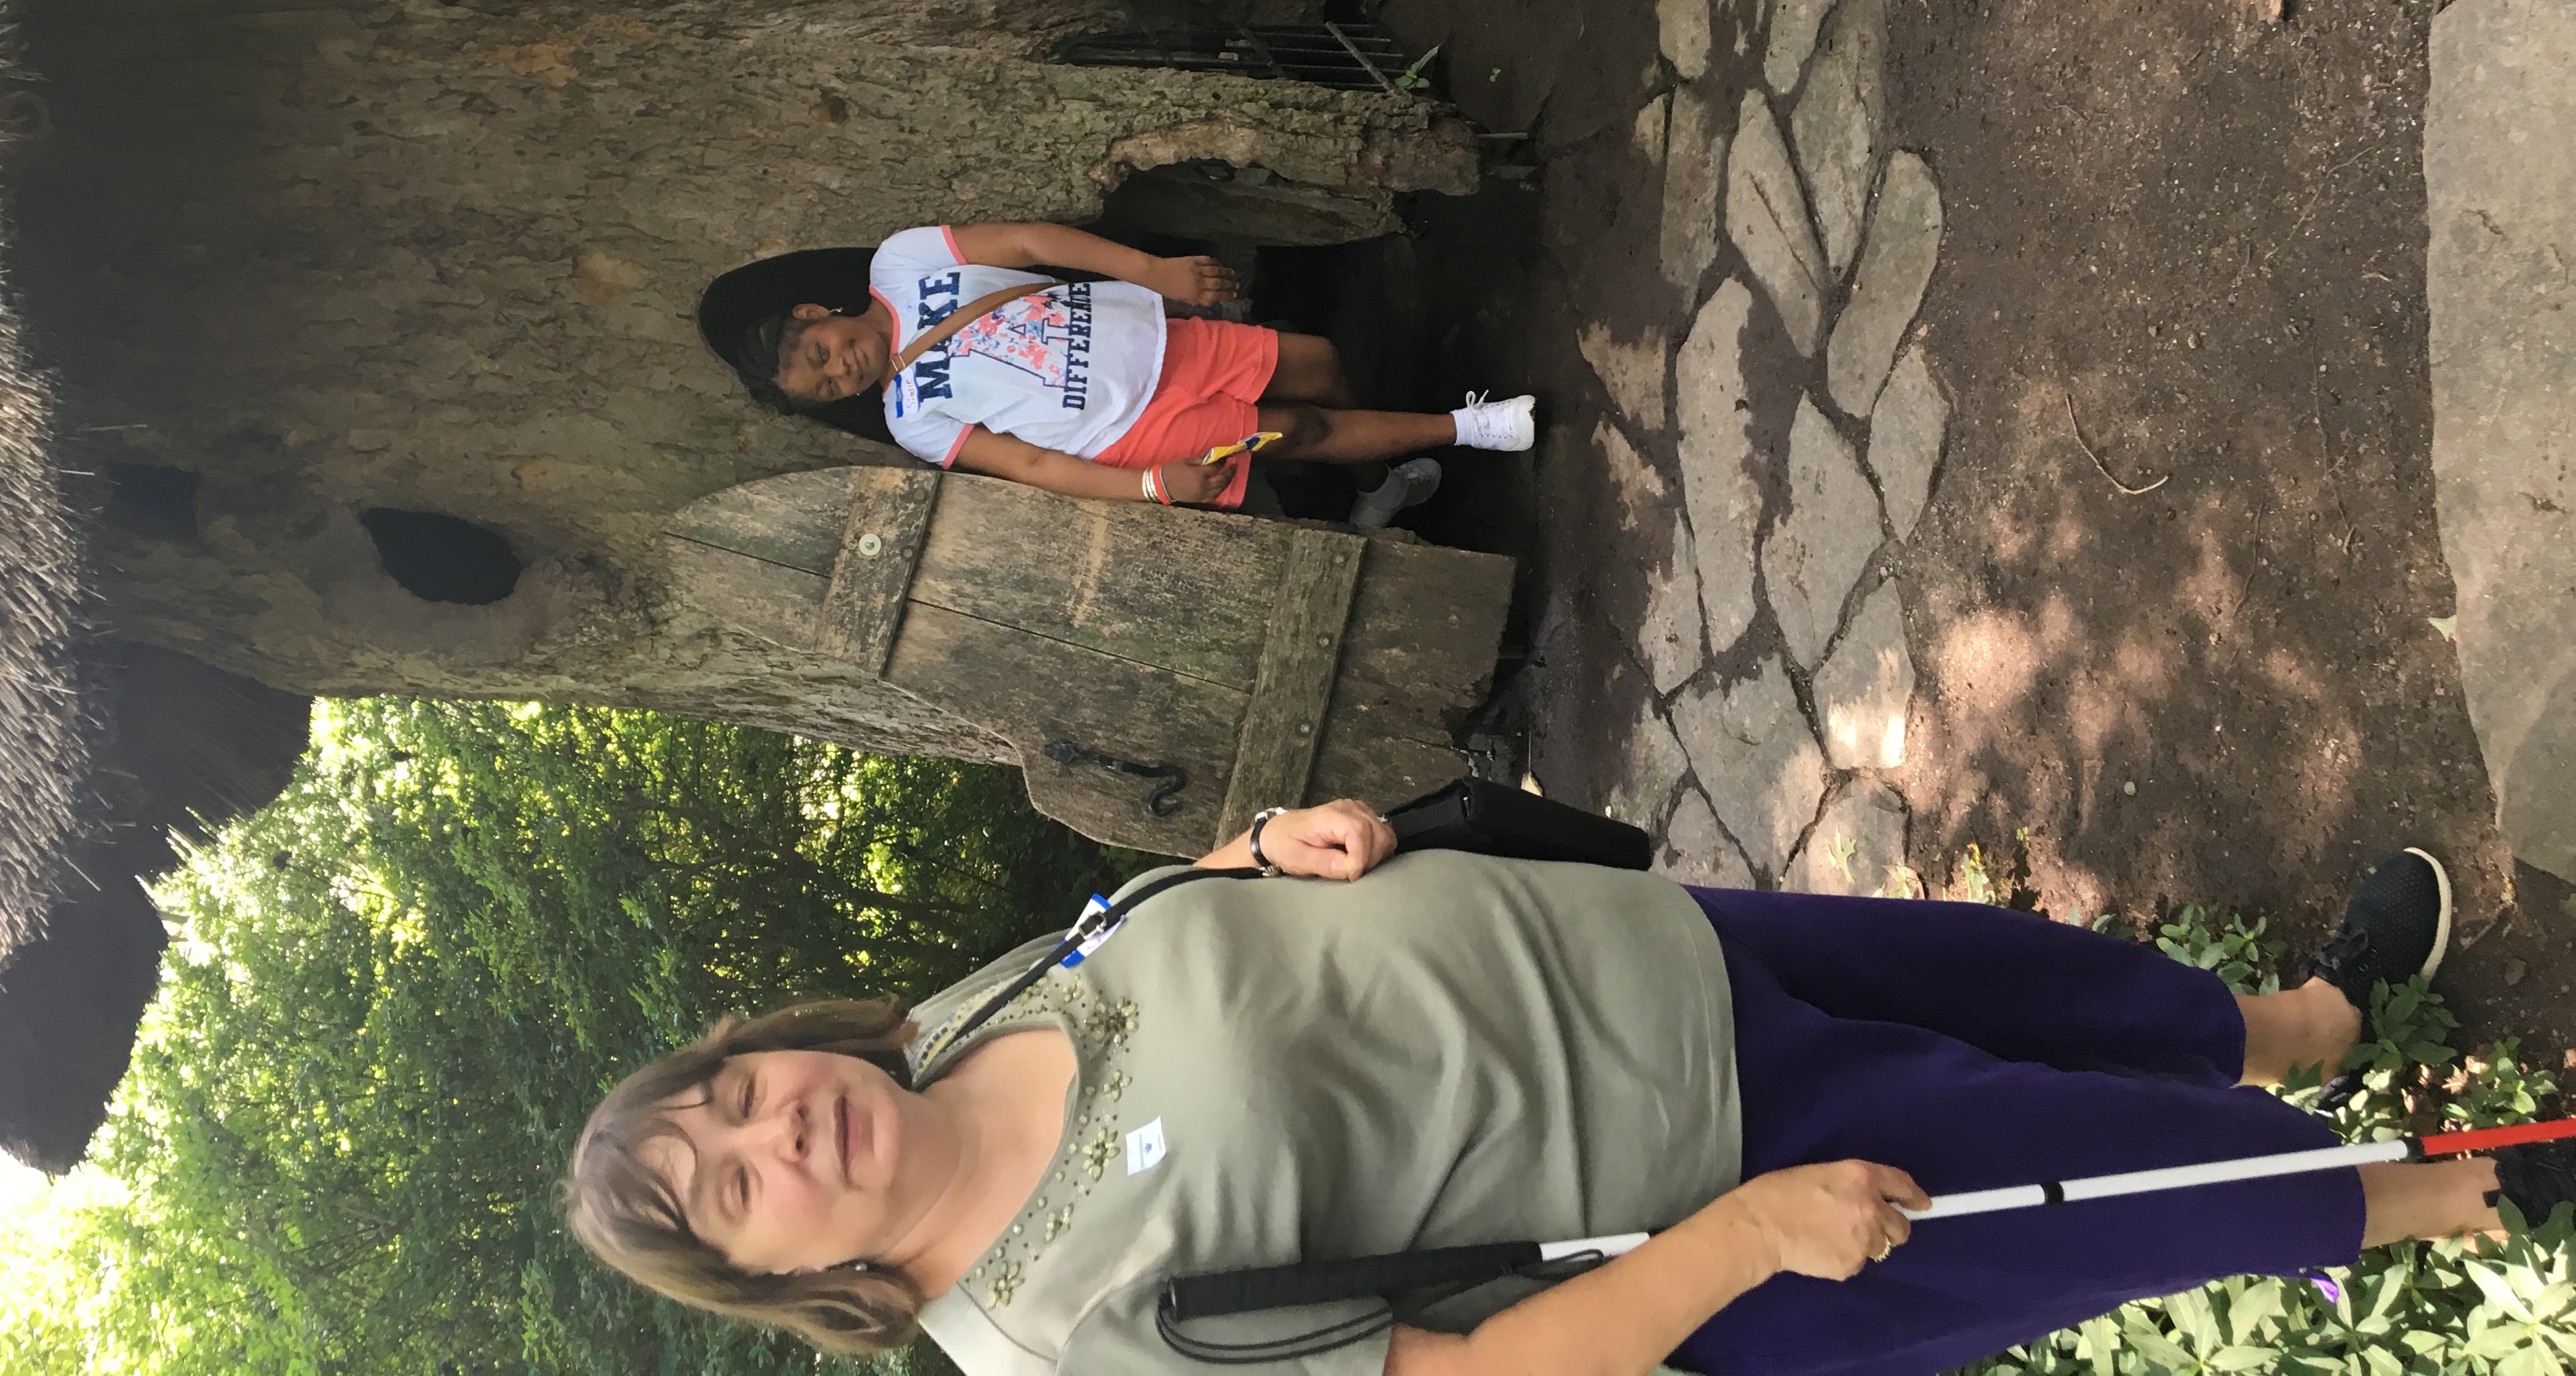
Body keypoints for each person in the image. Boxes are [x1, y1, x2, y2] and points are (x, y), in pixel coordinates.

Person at [564, 822, 2562, 1376]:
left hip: (1660, 951)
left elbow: (1178, 925)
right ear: (779, 1271)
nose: (769, 1128)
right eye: (725, 1188)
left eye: (726, 1094)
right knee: (2132, 1195)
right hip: (1715, 1181)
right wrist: (1747, 1239)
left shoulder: (938, 1020)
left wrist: (1278, 844)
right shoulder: (1049, 1339)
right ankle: (2477, 1208)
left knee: (2044, 993)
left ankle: (2303, 1018)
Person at [733, 221, 1529, 521]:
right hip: (1129, 429)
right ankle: (1474, 427)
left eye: (821, 355)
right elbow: (1033, 463)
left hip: (1151, 337)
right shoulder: (911, 418)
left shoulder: (901, 260)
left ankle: (1373, 482)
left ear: (815, 316)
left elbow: (1025, 245)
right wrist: (1150, 488)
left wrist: (1152, 269)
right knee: (1301, 429)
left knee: (1318, 362)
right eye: (828, 387)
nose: (840, 368)